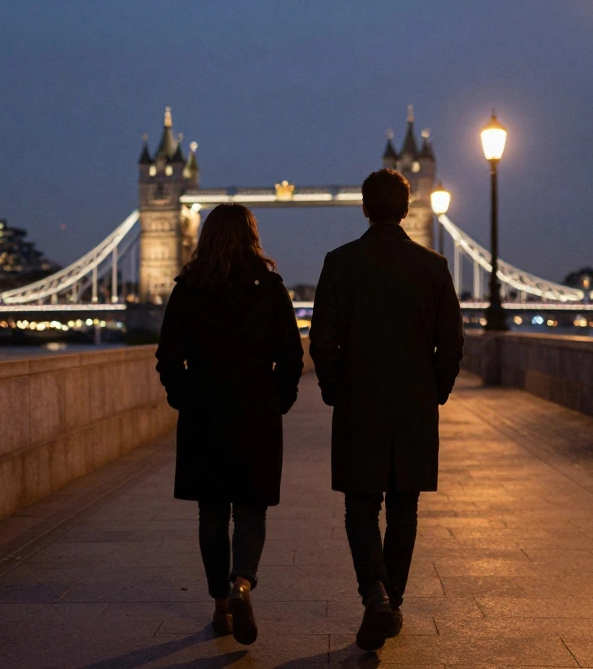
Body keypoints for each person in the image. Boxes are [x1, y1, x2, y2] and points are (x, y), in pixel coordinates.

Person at [310, 169, 463, 652]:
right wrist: (434, 391)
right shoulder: (434, 266)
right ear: (407, 209)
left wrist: (335, 390)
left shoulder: (339, 263)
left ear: (364, 207)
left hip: (359, 402)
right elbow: (452, 343)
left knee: (360, 506)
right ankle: (390, 600)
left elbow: (322, 342)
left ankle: (374, 593)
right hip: (414, 405)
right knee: (405, 508)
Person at [155, 203, 305, 646]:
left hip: (204, 411)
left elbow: (167, 356)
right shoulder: (271, 288)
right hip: (256, 410)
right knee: (252, 508)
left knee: (212, 512)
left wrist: (183, 397)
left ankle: (221, 606)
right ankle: (243, 582)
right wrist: (279, 399)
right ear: (251, 236)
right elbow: (293, 356)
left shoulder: (188, 288)